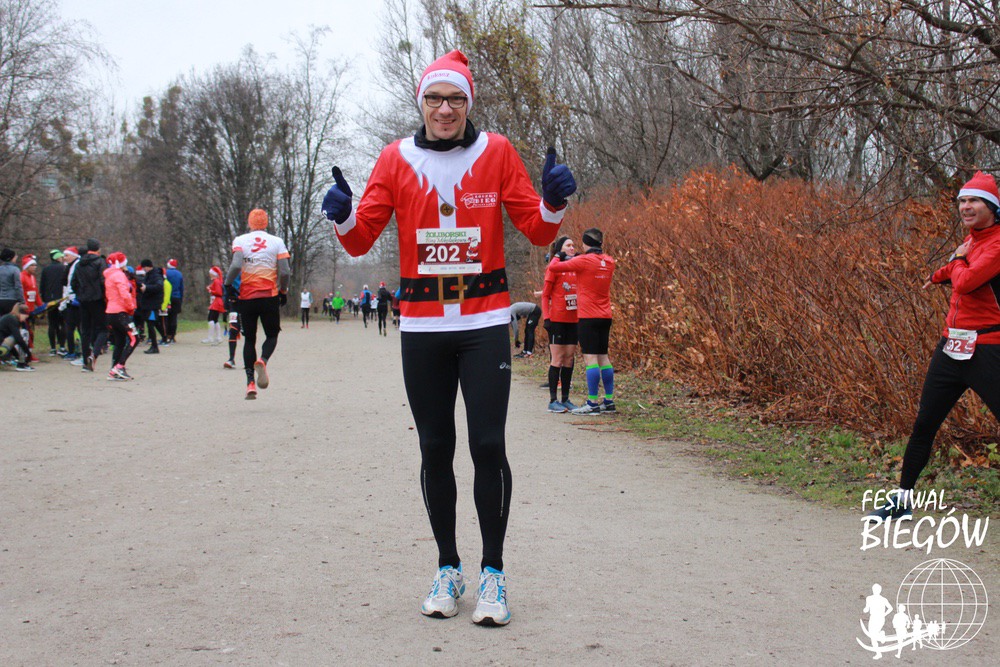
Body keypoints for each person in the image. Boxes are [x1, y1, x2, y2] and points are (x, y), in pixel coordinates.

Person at [322, 49, 576, 626]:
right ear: (421, 103)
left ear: (468, 103)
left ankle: (493, 574)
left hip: (483, 324)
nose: (444, 109)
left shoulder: (497, 151)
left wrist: (554, 202)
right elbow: (360, 240)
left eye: (456, 99)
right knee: (435, 448)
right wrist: (342, 217)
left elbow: (536, 229)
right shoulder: (395, 158)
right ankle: (447, 566)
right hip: (423, 328)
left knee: (488, 446)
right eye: (434, 98)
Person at [869, 171, 1000, 520]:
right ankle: (901, 502)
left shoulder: (997, 244)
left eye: (974, 201)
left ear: (992, 207)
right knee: (924, 424)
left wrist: (955, 262)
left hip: (988, 348)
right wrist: (937, 274)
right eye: (962, 201)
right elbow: (959, 267)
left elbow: (967, 280)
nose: (966, 206)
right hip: (951, 347)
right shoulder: (972, 241)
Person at [549, 228, 617, 414]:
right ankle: (609, 401)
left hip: (588, 316)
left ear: (585, 243)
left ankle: (592, 402)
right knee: (604, 357)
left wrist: (559, 255)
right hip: (605, 315)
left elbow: (553, 267)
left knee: (590, 358)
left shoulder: (584, 261)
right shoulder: (609, 261)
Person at [225, 208, 290, 399]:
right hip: (269, 296)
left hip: (247, 297)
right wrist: (283, 291)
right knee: (272, 335)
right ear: (266, 223)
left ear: (249, 222)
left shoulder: (240, 240)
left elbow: (236, 265)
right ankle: (263, 360)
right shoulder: (277, 242)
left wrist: (228, 284)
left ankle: (250, 383)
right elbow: (285, 271)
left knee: (249, 340)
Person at [541, 236, 579, 412]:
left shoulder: (575, 266)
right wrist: (546, 318)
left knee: (569, 359)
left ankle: (565, 399)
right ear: (560, 248)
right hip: (557, 320)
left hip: (574, 319)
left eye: (573, 245)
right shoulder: (554, 268)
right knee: (557, 358)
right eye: (568, 245)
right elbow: (545, 295)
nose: (572, 248)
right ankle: (552, 400)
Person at [72, 239, 107, 372]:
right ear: (98, 249)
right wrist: (104, 296)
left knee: (85, 330)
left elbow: (74, 282)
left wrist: (80, 293)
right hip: (97, 299)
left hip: (83, 299)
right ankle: (94, 354)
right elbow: (103, 281)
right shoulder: (100, 262)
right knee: (103, 329)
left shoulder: (79, 263)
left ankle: (85, 360)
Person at [103, 252, 138, 380]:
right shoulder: (119, 275)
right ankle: (119, 367)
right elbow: (124, 294)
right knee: (134, 338)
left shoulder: (109, 275)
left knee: (120, 341)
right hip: (121, 312)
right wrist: (131, 307)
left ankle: (114, 369)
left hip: (111, 312)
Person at [40, 249, 68, 355]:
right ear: (57, 257)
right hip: (62, 299)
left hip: (49, 300)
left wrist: (44, 299)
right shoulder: (64, 268)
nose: (62, 258)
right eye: (61, 256)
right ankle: (62, 347)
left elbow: (42, 286)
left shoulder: (46, 269)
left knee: (52, 324)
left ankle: (52, 348)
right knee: (62, 323)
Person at [136, 259, 164, 355]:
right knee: (151, 324)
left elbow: (159, 286)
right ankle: (157, 343)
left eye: (144, 267)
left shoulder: (156, 275)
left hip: (153, 305)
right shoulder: (149, 275)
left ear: (148, 266)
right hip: (148, 304)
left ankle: (155, 346)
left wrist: (146, 288)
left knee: (151, 324)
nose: (143, 269)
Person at [60, 247, 82, 362]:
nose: (65, 258)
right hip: (70, 300)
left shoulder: (76, 266)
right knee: (72, 327)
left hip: (75, 300)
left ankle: (75, 351)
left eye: (67, 255)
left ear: (74, 255)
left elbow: (73, 284)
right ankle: (75, 350)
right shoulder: (70, 266)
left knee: (73, 327)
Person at [0, 303, 35, 371]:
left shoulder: (9, 317)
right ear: (21, 313)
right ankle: (21, 364)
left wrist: (17, 356)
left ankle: (20, 362)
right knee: (24, 333)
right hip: (2, 348)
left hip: (2, 346)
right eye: (25, 316)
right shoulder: (12, 319)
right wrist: (28, 353)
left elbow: (8, 341)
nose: (25, 319)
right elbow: (19, 339)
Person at [204, 266, 226, 344]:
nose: (210, 275)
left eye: (210, 273)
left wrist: (210, 290)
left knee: (211, 318)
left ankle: (211, 337)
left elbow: (218, 292)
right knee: (215, 319)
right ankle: (218, 337)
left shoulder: (216, 281)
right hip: (217, 301)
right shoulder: (217, 281)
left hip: (216, 301)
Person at [0, 247, 24, 316]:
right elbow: (18, 286)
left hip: (1, 299)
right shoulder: (15, 270)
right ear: (11, 258)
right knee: (11, 320)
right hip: (12, 299)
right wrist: (21, 300)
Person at [164, 258, 184, 343]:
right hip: (177, 297)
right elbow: (181, 288)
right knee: (174, 317)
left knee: (166, 317)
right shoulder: (179, 274)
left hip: (168, 297)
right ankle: (173, 335)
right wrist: (181, 298)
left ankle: (167, 335)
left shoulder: (166, 273)